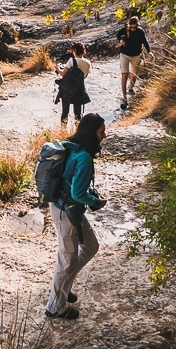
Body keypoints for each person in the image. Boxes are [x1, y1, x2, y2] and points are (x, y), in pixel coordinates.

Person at [47, 112, 106, 320]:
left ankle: (63, 288)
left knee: (90, 247)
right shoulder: (84, 158)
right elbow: (78, 193)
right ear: (92, 134)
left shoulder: (74, 147)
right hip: (67, 212)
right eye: (101, 132)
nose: (104, 136)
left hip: (67, 209)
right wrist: (96, 202)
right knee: (66, 261)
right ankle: (55, 308)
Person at [53, 43, 92, 127]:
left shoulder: (71, 60)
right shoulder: (88, 63)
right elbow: (84, 76)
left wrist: (57, 68)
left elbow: (63, 74)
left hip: (67, 90)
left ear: (75, 51)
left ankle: (63, 130)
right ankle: (78, 131)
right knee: (78, 113)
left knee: (65, 112)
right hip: (79, 90)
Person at [116, 16, 149, 110]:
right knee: (124, 74)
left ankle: (130, 88)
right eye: (131, 27)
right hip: (124, 54)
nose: (133, 29)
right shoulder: (124, 30)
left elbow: (145, 42)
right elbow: (118, 36)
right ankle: (124, 96)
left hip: (136, 55)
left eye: (135, 27)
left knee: (133, 75)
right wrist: (120, 41)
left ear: (137, 26)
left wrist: (149, 52)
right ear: (129, 25)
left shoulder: (140, 32)